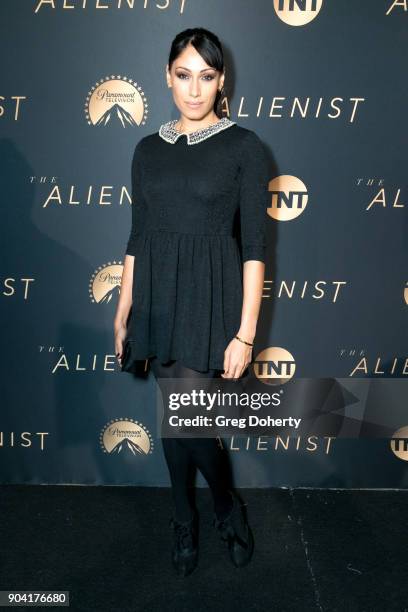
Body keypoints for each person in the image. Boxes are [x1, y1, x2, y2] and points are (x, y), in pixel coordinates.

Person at [114, 27, 270, 577]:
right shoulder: (147, 150)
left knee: (191, 422)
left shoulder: (245, 148)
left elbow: (254, 246)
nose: (194, 89)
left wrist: (246, 332)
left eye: (206, 76)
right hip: (157, 298)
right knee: (174, 423)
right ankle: (185, 517)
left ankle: (225, 506)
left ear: (221, 80)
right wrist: (123, 308)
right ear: (167, 76)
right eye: (183, 75)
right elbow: (139, 235)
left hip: (211, 303)